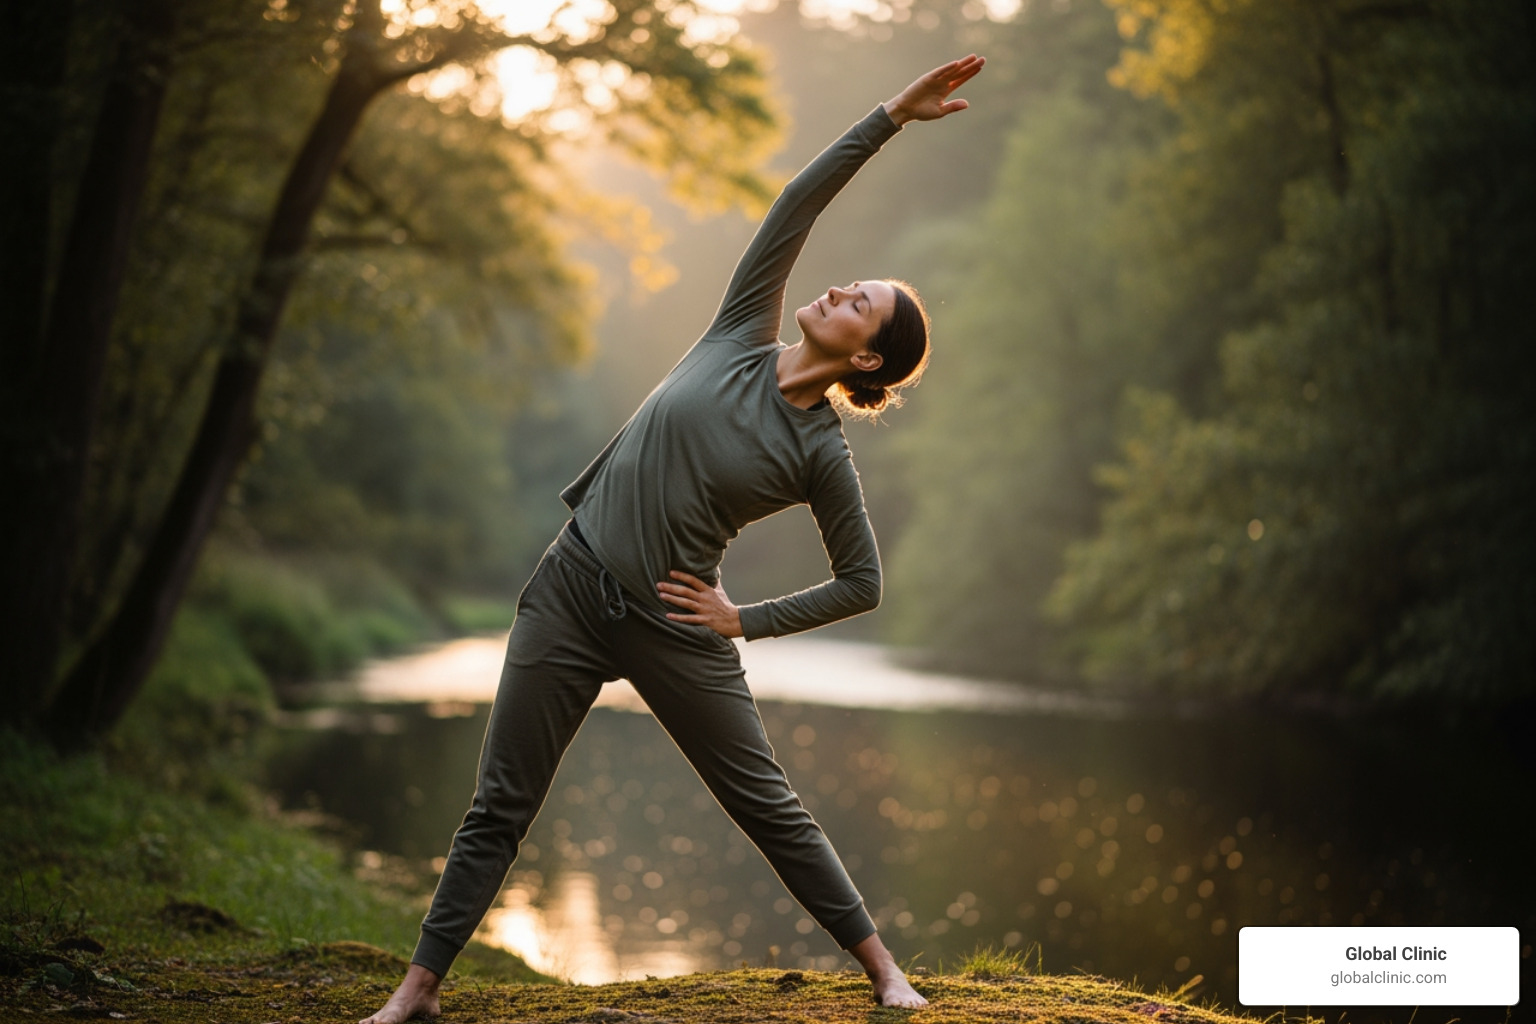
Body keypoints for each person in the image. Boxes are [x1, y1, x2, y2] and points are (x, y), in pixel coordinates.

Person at [360, 54, 985, 1023]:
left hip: (674, 623)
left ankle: (886, 973)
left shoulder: (821, 450)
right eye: (852, 283)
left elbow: (863, 582)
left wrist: (742, 619)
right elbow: (795, 203)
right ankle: (414, 995)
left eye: (859, 303)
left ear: (865, 356)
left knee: (767, 805)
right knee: (500, 803)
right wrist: (890, 116)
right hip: (571, 587)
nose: (837, 290)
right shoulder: (740, 329)